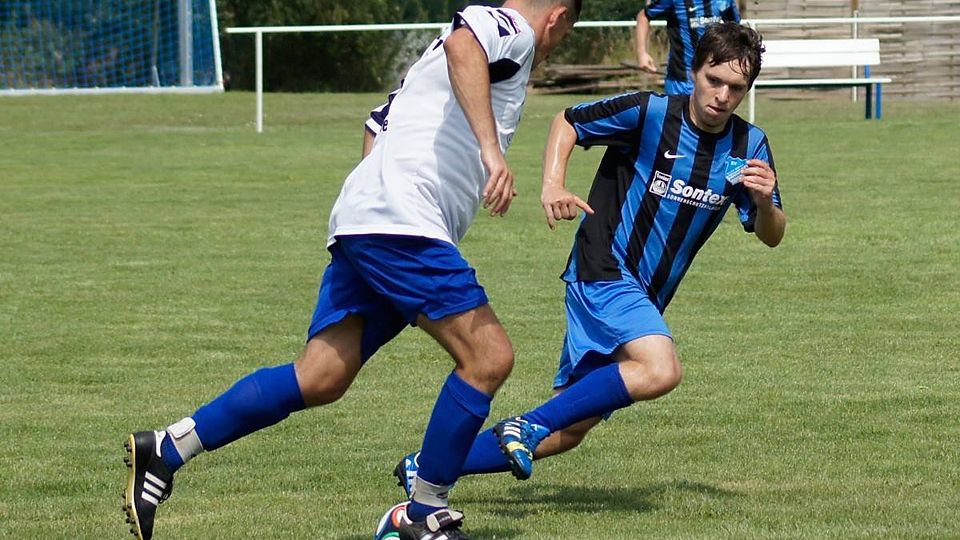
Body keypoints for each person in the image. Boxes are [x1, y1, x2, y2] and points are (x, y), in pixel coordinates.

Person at [121, 2, 580, 539]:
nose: (556, 47)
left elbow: (377, 124)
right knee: (488, 356)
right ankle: (423, 512)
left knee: (321, 375)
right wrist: (489, 152)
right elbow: (466, 42)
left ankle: (168, 447)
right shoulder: (514, 29)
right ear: (559, 17)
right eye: (565, 34)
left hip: (369, 219)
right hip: (402, 224)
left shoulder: (430, 64)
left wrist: (377, 198)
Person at [392, 21, 785, 496]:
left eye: (736, 88)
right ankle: (526, 424)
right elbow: (567, 121)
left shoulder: (749, 147)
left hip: (646, 294)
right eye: (713, 80)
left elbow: (771, 235)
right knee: (660, 369)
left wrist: (764, 203)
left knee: (570, 428)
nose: (722, 96)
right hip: (604, 268)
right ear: (694, 71)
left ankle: (426, 467)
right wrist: (553, 183)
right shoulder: (650, 113)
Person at [636, 0, 741, 95]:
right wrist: (642, 53)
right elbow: (643, 16)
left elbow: (735, 29)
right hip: (680, 80)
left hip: (711, 78)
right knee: (677, 110)